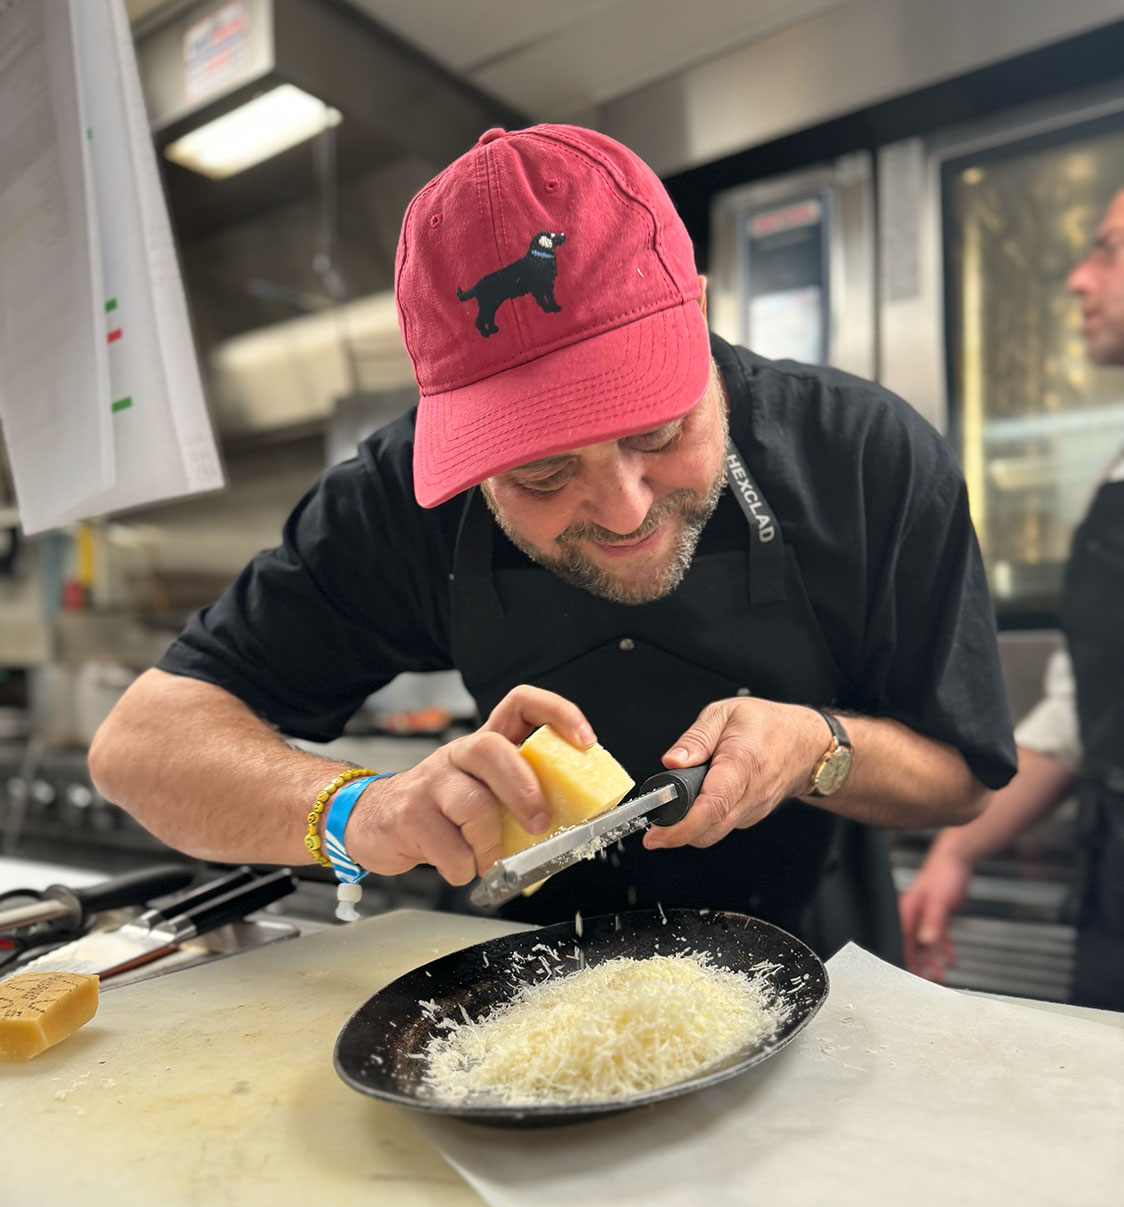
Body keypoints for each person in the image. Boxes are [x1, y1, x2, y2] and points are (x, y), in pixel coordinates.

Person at [88, 124, 1017, 960]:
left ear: (694, 309)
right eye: (540, 476)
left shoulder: (864, 455)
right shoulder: (402, 496)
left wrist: (818, 745)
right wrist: (359, 810)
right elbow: (136, 745)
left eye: (657, 434)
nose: (622, 511)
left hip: (824, 969)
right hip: (536, 989)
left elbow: (961, 780)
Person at [899, 187, 1124, 1009]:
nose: (1077, 278)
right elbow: (1081, 715)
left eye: (1107, 248)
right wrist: (957, 851)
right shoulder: (1115, 477)